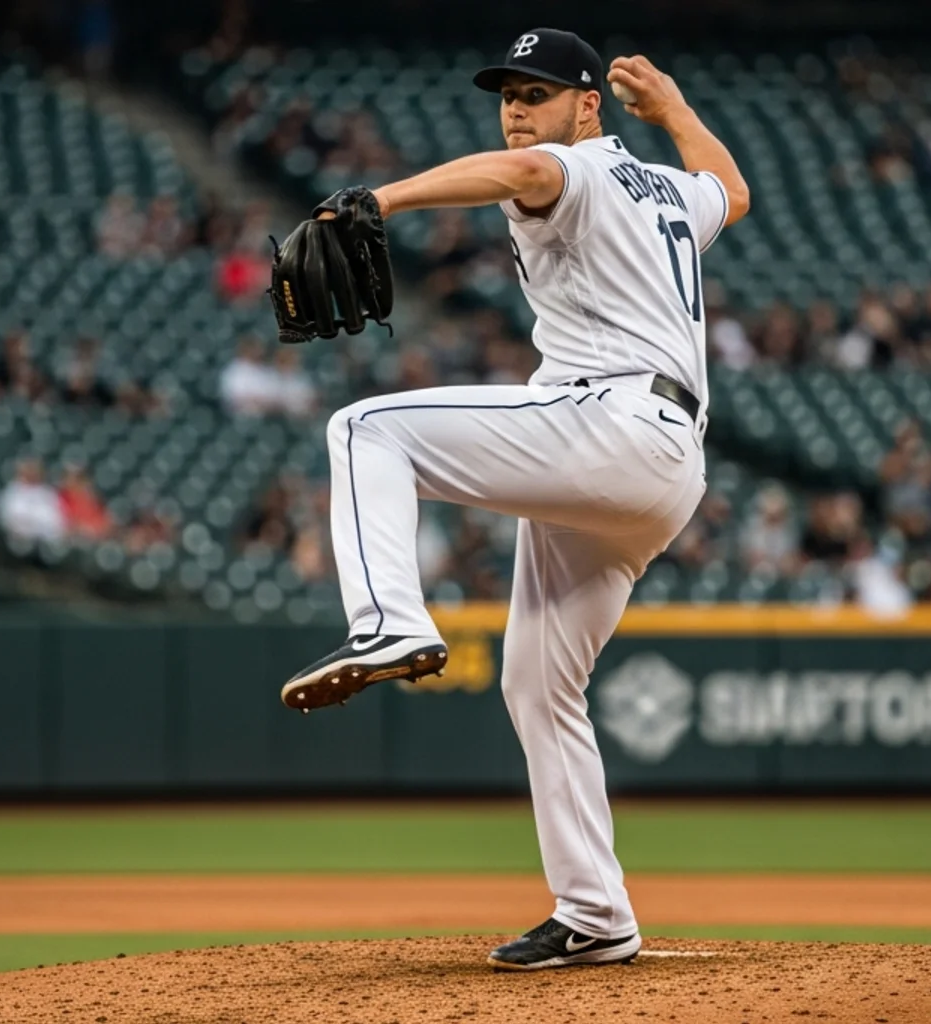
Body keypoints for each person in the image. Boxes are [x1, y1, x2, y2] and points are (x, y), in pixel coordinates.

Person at [278, 29, 747, 970]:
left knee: (366, 428)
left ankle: (389, 623)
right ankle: (597, 913)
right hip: (660, 468)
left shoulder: (573, 169)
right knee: (539, 684)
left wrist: (379, 197)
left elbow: (518, 170)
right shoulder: (669, 191)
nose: (518, 106)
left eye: (540, 91)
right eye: (509, 91)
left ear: (588, 106)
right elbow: (730, 191)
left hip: (611, 424)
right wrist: (679, 112)